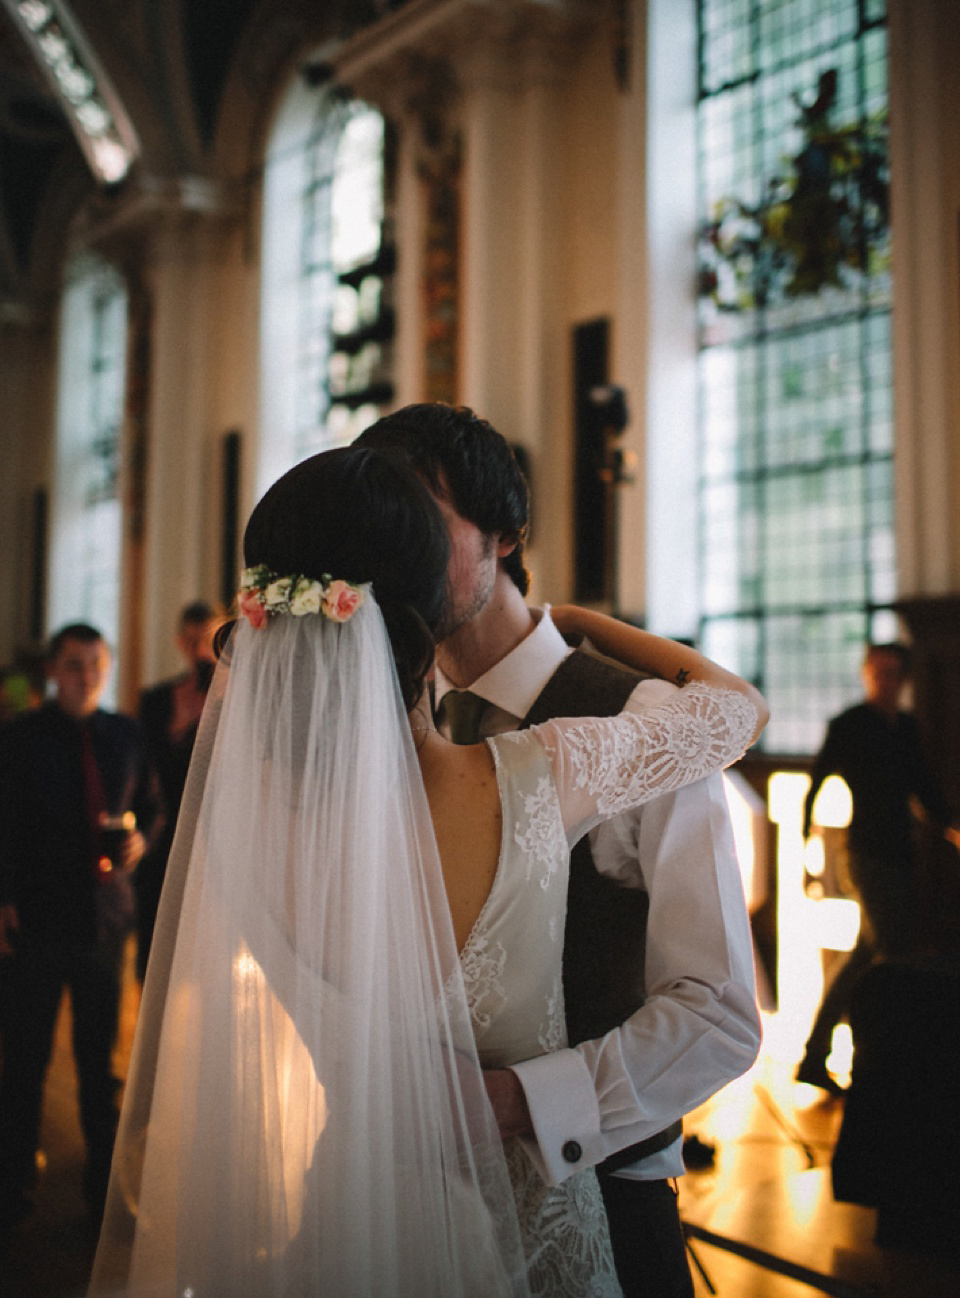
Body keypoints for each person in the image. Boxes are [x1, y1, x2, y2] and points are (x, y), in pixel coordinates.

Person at [89, 446, 766, 1297]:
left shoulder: (234, 821)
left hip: (357, 1221)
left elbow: (719, 1017)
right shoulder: (543, 774)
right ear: (422, 603)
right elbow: (737, 711)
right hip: (529, 1240)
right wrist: (591, 620)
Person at [358, 403, 764, 1296]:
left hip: (604, 1203)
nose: (405, 558)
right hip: (419, 1216)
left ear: (507, 531)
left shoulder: (646, 725)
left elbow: (719, 1016)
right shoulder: (384, 722)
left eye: (426, 522)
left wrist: (518, 1105)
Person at [0, 624, 163, 1230]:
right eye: (74, 664)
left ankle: (102, 1194)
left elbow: (153, 805)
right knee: (26, 1061)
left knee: (100, 1068)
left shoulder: (126, 733)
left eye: (96, 663)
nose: (87, 674)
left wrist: (143, 839)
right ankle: (12, 1187)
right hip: (37, 921)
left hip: (105, 922)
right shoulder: (19, 739)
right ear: (52, 671)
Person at [796, 641, 959, 1095]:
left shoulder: (905, 727)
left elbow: (922, 788)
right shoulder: (850, 725)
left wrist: (951, 828)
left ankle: (818, 1055)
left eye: (893, 673)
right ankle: (876, 1061)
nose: (885, 681)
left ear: (902, 679)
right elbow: (815, 784)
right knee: (888, 949)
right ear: (867, 675)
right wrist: (806, 856)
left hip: (899, 852)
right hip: (865, 854)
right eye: (878, 672)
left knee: (869, 953)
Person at [136, 600, 219, 980]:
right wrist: (180, 724)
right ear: (179, 643)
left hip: (216, 840)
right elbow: (144, 771)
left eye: (207, 639)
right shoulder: (156, 701)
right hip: (163, 836)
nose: (199, 649)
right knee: (156, 948)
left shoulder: (236, 698)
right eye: (191, 640)